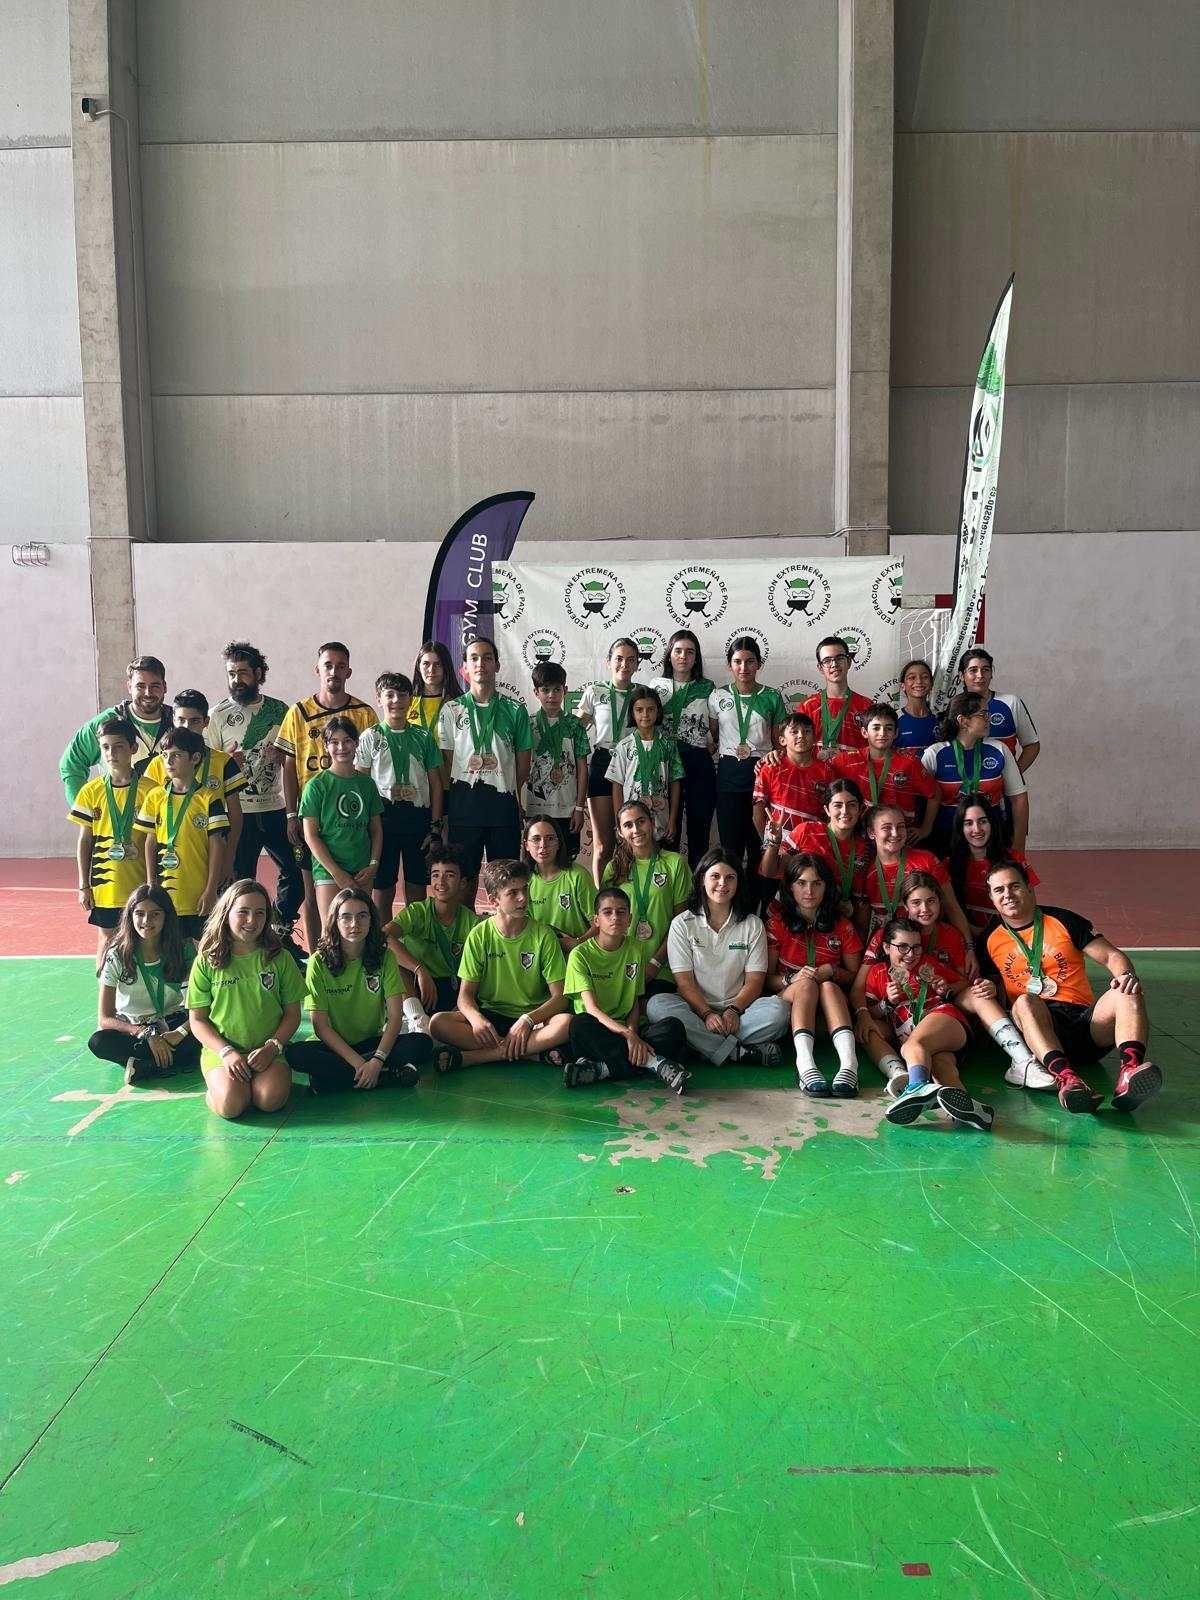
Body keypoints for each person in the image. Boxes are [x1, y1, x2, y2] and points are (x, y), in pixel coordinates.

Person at [978, 860, 1161, 1114]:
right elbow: (991, 986)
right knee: (1024, 1001)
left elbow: (1112, 956)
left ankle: (1129, 1071)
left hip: (1086, 1026)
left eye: (1014, 886)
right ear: (991, 898)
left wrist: (1126, 975)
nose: (1007, 894)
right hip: (1039, 1028)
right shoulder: (989, 938)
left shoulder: (1063, 920)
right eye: (999, 890)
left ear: (1030, 889)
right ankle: (1067, 1079)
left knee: (1127, 991)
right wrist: (987, 986)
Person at [853, 869, 1052, 1093]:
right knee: (938, 1063)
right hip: (901, 1017)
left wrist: (950, 987)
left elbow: (964, 984)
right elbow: (860, 987)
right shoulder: (887, 936)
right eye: (916, 902)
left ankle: (1023, 1060)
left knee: (978, 995)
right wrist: (864, 1013)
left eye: (931, 901)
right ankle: (943, 1096)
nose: (925, 909)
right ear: (905, 905)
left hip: (943, 1009)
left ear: (940, 902)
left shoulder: (950, 934)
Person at [289, 888, 452, 1093]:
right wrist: (360, 1064)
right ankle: (385, 1076)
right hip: (333, 1047)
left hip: (371, 1044)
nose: (354, 924)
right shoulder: (318, 962)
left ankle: (336, 1080)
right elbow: (321, 1027)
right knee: (296, 1054)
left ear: (371, 920)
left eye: (362, 916)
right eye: (346, 917)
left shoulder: (385, 958)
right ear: (335, 921)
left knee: (421, 1043)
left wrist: (377, 1059)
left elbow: (394, 1017)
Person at [275, 642, 376, 952]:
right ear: (317, 669)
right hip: (314, 814)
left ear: (348, 671)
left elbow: (373, 764)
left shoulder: (364, 713)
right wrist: (292, 814)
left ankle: (361, 955)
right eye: (327, 665)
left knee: (359, 895)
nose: (334, 671)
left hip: (353, 815)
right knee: (313, 889)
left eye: (340, 665)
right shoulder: (299, 712)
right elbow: (289, 765)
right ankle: (318, 956)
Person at [645, 848, 789, 1066]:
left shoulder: (752, 925)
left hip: (741, 1013)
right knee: (657, 1005)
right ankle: (736, 1052)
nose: (723, 883)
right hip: (696, 1011)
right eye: (715, 876)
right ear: (702, 879)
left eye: (730, 877)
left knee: (779, 1011)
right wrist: (706, 1014)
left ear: (738, 883)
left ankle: (703, 1046)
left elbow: (755, 981)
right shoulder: (682, 924)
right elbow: (684, 982)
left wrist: (733, 1010)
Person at [428, 859, 572, 1068]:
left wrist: (527, 1020)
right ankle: (530, 1053)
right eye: (513, 893)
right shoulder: (479, 935)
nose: (523, 898)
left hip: (533, 1018)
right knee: (438, 1023)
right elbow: (465, 997)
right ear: (493, 900)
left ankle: (477, 1057)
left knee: (565, 1023)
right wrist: (477, 1019)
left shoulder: (544, 935)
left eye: (525, 889)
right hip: (493, 1017)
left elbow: (560, 998)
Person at [187, 878, 306, 1119]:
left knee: (270, 1100)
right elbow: (197, 1021)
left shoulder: (279, 958)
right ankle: (216, 1091)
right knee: (231, 1106)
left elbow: (293, 1014)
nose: (252, 921)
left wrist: (273, 1047)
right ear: (226, 913)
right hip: (223, 1051)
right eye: (243, 912)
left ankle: (264, 1080)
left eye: (260, 913)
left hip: (268, 1049)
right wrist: (226, 1052)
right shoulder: (207, 960)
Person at [206, 641, 301, 939]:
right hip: (239, 813)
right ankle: (242, 939)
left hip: (273, 807)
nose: (237, 680)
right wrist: (225, 763)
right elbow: (207, 766)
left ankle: (281, 928)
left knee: (297, 868)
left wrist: (281, 756)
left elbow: (293, 758)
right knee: (240, 880)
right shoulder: (217, 715)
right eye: (231, 673)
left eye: (243, 673)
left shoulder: (280, 710)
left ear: (258, 674)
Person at [864, 918, 995, 1131]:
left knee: (912, 1047)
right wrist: (886, 1002)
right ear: (887, 947)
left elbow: (962, 983)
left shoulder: (928, 964)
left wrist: (945, 988)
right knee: (943, 1071)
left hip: (945, 1020)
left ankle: (916, 1087)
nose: (911, 953)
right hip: (925, 1044)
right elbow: (870, 1013)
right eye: (903, 946)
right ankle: (973, 1114)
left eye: (916, 947)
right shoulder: (877, 972)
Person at [559, 887, 690, 1094]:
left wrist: (634, 1033)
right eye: (607, 912)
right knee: (579, 1024)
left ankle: (602, 1069)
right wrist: (628, 1036)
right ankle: (654, 1063)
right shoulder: (579, 954)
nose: (615, 918)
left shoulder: (635, 949)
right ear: (596, 920)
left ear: (629, 919)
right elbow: (592, 1009)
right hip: (597, 1030)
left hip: (625, 1030)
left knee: (673, 1027)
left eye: (621, 912)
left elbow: (634, 1002)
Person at [438, 636, 532, 897]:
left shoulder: (515, 710)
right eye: (474, 658)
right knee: (464, 879)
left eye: (488, 658)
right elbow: (446, 762)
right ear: (464, 668)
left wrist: (505, 787)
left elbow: (523, 762)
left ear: (497, 665)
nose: (481, 664)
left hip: (502, 807)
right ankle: (465, 936)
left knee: (505, 879)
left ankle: (502, 935)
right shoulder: (451, 710)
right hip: (464, 806)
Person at [765, 853, 863, 1096]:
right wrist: (793, 979)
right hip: (789, 1009)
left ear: (826, 887)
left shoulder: (843, 926)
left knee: (828, 986)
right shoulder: (777, 924)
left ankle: (850, 1064)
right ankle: (805, 1063)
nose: (809, 891)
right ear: (790, 887)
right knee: (807, 984)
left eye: (817, 883)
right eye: (801, 883)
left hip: (830, 1013)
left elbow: (855, 976)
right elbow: (766, 979)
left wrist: (833, 972)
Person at [88, 884, 200, 1084]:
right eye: (140, 914)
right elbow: (105, 1018)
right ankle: (165, 1059)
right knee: (98, 1042)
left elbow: (200, 1006)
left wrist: (180, 1032)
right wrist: (145, 1033)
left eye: (155, 914)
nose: (146, 921)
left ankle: (144, 1066)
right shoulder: (117, 954)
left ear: (167, 917)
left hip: (172, 1024)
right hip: (133, 1028)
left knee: (204, 1035)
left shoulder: (183, 950)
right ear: (130, 916)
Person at [355, 671, 444, 920]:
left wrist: (435, 827)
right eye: (389, 695)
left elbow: (436, 784)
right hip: (383, 820)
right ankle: (383, 941)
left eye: (402, 695)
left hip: (418, 819)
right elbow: (360, 784)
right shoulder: (370, 737)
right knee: (383, 886)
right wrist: (364, 824)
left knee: (417, 885)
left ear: (410, 699)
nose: (396, 700)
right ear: (379, 699)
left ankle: (414, 941)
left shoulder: (423, 737)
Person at [68, 715, 154, 957]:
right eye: (105, 747)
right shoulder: (91, 792)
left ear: (133, 748)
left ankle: (141, 995)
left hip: (141, 884)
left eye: (118, 746)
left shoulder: (151, 791)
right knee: (107, 940)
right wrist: (84, 885)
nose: (111, 753)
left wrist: (154, 882)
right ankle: (106, 994)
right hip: (106, 885)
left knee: (145, 941)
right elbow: (85, 841)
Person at [707, 636, 787, 894]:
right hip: (728, 775)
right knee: (730, 847)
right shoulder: (717, 696)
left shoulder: (772, 697)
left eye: (750, 661)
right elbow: (715, 735)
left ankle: (757, 907)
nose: (744, 668)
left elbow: (779, 742)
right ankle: (731, 903)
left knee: (758, 846)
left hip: (761, 776)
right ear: (730, 665)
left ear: (759, 664)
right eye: (738, 662)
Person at [135, 726, 229, 937]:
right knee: (168, 950)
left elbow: (217, 843)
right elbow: (150, 841)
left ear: (195, 758)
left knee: (201, 949)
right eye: (165, 755)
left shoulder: (209, 798)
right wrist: (151, 884)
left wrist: (211, 889)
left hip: (198, 892)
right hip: (165, 896)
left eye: (176, 755)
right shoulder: (155, 796)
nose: (168, 761)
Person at [144, 690, 246, 866]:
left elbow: (235, 814)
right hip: (168, 856)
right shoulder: (158, 764)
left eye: (195, 721)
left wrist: (229, 858)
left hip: (212, 853)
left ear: (206, 722)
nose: (186, 727)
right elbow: (148, 818)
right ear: (173, 720)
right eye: (181, 720)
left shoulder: (223, 762)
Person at [298, 717, 384, 926]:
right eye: (334, 742)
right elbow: (311, 836)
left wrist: (373, 865)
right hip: (329, 871)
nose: (341, 747)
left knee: (361, 931)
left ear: (355, 744)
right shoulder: (316, 786)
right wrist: (337, 873)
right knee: (332, 932)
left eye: (347, 741)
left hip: (362, 871)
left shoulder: (367, 784)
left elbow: (376, 830)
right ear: (326, 746)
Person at [575, 638, 647, 881]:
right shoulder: (595, 692)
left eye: (630, 660)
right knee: (604, 843)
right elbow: (576, 728)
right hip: (603, 762)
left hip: (633, 765)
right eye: (618, 658)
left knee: (631, 840)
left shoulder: (642, 695)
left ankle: (632, 895)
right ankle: (601, 901)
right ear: (608, 662)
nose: (624, 664)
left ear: (637, 664)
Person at [602, 801, 692, 994]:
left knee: (655, 1011)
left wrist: (654, 963)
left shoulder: (675, 863)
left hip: (663, 968)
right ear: (620, 832)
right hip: (621, 967)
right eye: (628, 825)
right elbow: (606, 924)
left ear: (651, 822)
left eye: (641, 821)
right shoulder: (614, 869)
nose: (636, 829)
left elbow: (681, 923)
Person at [387, 843, 480, 1027]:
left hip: (454, 989)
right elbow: (383, 937)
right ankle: (417, 1021)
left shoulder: (473, 923)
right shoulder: (417, 911)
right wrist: (419, 969)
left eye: (450, 875)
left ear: (462, 883)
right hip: (418, 985)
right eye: (436, 875)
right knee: (392, 962)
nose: (441, 882)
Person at [922, 691, 1028, 853]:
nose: (989, 718)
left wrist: (1019, 846)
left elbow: (1019, 799)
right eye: (983, 714)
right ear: (963, 721)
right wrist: (924, 830)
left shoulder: (999, 749)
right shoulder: (934, 754)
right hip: (947, 839)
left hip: (992, 838)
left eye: (989, 713)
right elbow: (921, 801)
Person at [60, 654, 173, 805]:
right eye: (140, 686)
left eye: (155, 686)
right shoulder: (106, 723)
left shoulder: (180, 722)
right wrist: (84, 812)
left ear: (164, 687)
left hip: (168, 823)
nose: (148, 692)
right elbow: (71, 764)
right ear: (129, 687)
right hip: (118, 822)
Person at [647, 630, 717, 868]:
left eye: (690, 652)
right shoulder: (656, 686)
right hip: (664, 762)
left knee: (699, 828)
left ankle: (699, 891)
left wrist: (711, 741)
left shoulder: (708, 687)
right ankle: (668, 890)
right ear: (669, 655)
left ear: (696, 658)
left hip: (698, 761)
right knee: (667, 831)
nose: (683, 657)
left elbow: (714, 725)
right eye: (678, 651)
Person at [857, 803, 972, 946]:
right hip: (886, 947)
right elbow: (863, 923)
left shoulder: (926, 860)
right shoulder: (865, 868)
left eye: (900, 826)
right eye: (887, 828)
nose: (895, 833)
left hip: (928, 945)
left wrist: (969, 947)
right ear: (871, 833)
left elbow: (952, 907)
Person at [760, 777, 868, 918]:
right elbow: (769, 871)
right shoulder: (807, 831)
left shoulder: (863, 848)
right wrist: (774, 843)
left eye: (852, 805)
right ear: (827, 810)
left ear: (860, 809)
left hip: (828, 921)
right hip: (789, 916)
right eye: (837, 805)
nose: (845, 811)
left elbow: (858, 899)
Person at [831, 702, 937, 841]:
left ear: (896, 733)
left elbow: (934, 794)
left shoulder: (910, 763)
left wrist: (925, 829)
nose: (882, 733)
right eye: (876, 728)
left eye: (888, 728)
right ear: (864, 732)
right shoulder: (846, 761)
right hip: (859, 836)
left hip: (897, 837)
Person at [948, 794, 1039, 933]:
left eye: (982, 821)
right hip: (967, 935)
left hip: (1010, 934)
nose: (977, 829)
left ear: (992, 823)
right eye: (968, 823)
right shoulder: (949, 864)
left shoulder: (1014, 859)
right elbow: (950, 909)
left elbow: (1030, 905)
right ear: (960, 828)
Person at [526, 661, 589, 863]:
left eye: (557, 689)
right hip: (535, 808)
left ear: (565, 691)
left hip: (567, 809)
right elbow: (518, 766)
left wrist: (579, 808)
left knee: (566, 861)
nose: (551, 695)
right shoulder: (528, 724)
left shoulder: (574, 725)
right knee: (536, 863)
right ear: (536, 692)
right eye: (545, 690)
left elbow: (582, 768)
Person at [607, 685, 683, 844]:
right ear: (632, 713)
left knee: (660, 860)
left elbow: (675, 783)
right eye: (639, 710)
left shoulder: (668, 745)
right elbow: (617, 786)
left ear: (658, 711)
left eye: (651, 709)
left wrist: (673, 819)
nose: (645, 715)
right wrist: (618, 821)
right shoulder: (624, 746)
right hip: (631, 821)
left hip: (661, 818)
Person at [751, 711, 830, 843]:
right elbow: (757, 813)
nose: (801, 736)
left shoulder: (827, 771)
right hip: (777, 842)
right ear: (782, 740)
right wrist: (768, 843)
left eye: (807, 731)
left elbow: (830, 814)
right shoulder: (770, 767)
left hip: (811, 842)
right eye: (794, 732)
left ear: (815, 738)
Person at [522, 815, 597, 954]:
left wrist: (577, 942)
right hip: (540, 954)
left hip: (578, 955)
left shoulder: (577, 876)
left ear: (559, 843)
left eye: (550, 839)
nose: (543, 845)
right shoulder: (524, 881)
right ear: (526, 845)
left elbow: (600, 924)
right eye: (536, 839)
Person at [958, 648, 1040, 772]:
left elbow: (1032, 745)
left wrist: (1014, 776)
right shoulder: (952, 707)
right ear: (962, 675)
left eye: (985, 670)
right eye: (973, 670)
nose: (980, 675)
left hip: (1001, 788)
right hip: (961, 786)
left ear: (992, 674)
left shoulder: (1011, 703)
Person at [796, 637, 872, 759]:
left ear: (849, 662)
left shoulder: (866, 706)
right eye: (827, 661)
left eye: (839, 658)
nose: (834, 664)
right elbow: (794, 747)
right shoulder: (807, 706)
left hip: (852, 776)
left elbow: (876, 750)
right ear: (820, 668)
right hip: (816, 776)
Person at [409, 640, 462, 738]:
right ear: (418, 667)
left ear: (446, 667)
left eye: (438, 664)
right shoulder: (407, 702)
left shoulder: (458, 703)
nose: (431, 670)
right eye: (426, 664)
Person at [894, 659, 939, 752]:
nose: (919, 681)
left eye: (925, 677)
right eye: (912, 677)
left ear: (931, 684)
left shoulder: (941, 719)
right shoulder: (894, 719)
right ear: (903, 686)